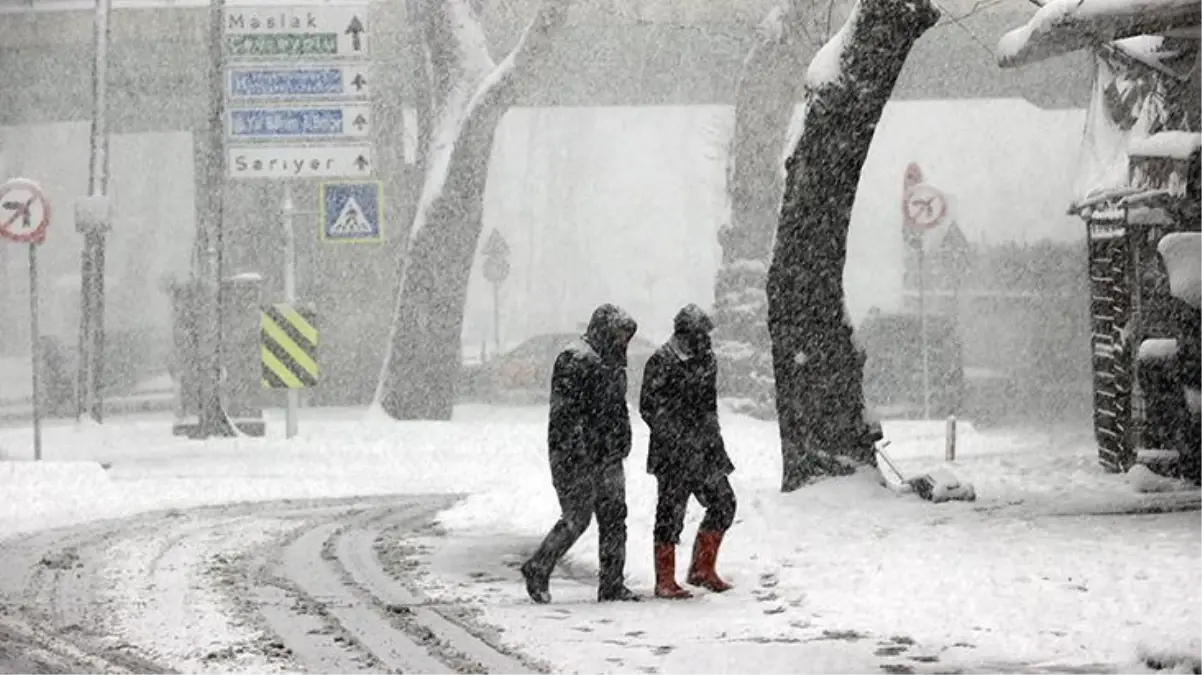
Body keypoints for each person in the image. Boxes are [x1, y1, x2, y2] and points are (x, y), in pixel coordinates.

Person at [520, 304, 641, 604]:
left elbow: (615, 409)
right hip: (578, 457)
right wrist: (577, 454)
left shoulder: (612, 362)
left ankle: (612, 584)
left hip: (608, 454)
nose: (624, 342)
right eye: (620, 335)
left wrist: (621, 439)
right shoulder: (575, 360)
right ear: (605, 330)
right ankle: (538, 566)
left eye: (627, 337)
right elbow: (565, 416)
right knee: (577, 517)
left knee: (615, 518)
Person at [639, 304, 736, 599]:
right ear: (685, 333)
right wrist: (677, 436)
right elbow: (649, 407)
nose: (706, 339)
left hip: (706, 451)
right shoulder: (661, 361)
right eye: (701, 334)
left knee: (724, 503)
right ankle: (664, 580)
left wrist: (712, 441)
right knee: (670, 514)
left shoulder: (707, 360)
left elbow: (709, 406)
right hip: (673, 455)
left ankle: (702, 569)